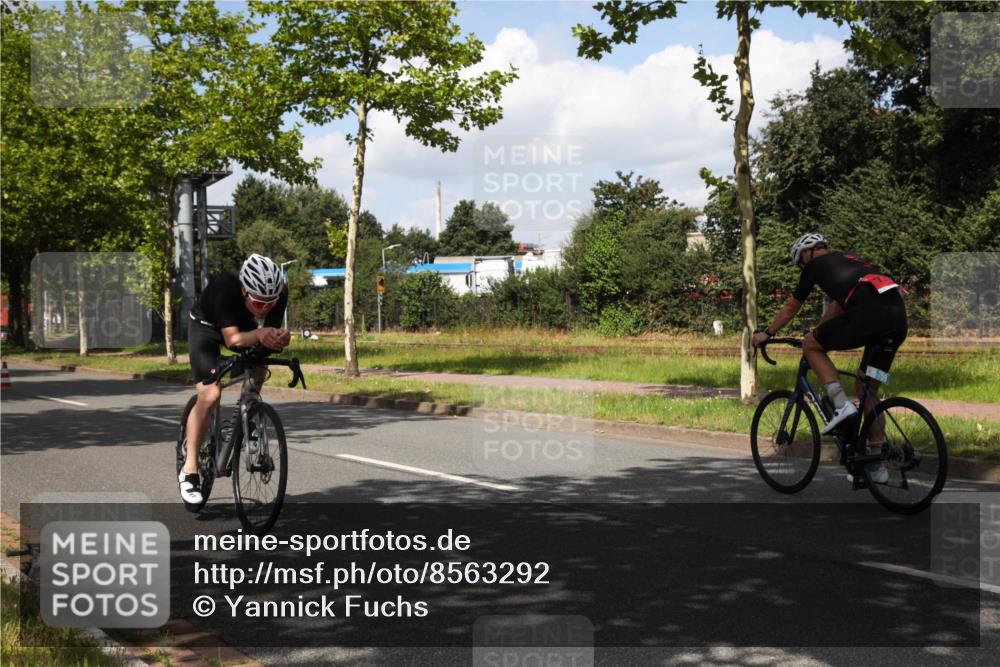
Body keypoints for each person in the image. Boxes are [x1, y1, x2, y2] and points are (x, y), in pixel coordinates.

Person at [752, 233, 908, 483]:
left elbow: (792, 307)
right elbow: (835, 309)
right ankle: (877, 465)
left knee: (810, 347)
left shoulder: (814, 265)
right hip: (896, 324)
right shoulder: (853, 263)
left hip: (869, 318)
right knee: (866, 388)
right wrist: (816, 333)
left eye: (800, 263)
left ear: (806, 254)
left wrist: (767, 333)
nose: (803, 267)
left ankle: (840, 402)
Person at [180, 254, 292, 508]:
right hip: (206, 328)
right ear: (244, 291)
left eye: (270, 303)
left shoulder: (280, 292)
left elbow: (268, 338)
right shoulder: (224, 289)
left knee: (260, 365)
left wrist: (279, 338)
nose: (264, 309)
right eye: (258, 302)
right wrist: (262, 333)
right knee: (210, 395)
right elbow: (233, 340)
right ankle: (189, 470)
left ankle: (250, 417)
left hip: (243, 325)